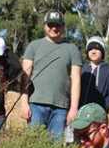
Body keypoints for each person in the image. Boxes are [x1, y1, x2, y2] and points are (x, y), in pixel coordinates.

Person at [20, 11, 82, 139]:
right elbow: (25, 77)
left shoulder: (72, 49)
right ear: (44, 26)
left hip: (61, 108)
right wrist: (24, 103)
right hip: (35, 105)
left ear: (63, 27)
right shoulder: (33, 46)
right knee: (33, 145)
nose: (54, 28)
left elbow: (76, 80)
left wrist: (73, 108)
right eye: (51, 25)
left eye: (58, 25)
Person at [80, 36, 109, 112]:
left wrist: (99, 109)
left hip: (99, 115)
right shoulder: (81, 69)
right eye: (90, 49)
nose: (93, 51)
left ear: (102, 52)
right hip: (80, 113)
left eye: (97, 49)